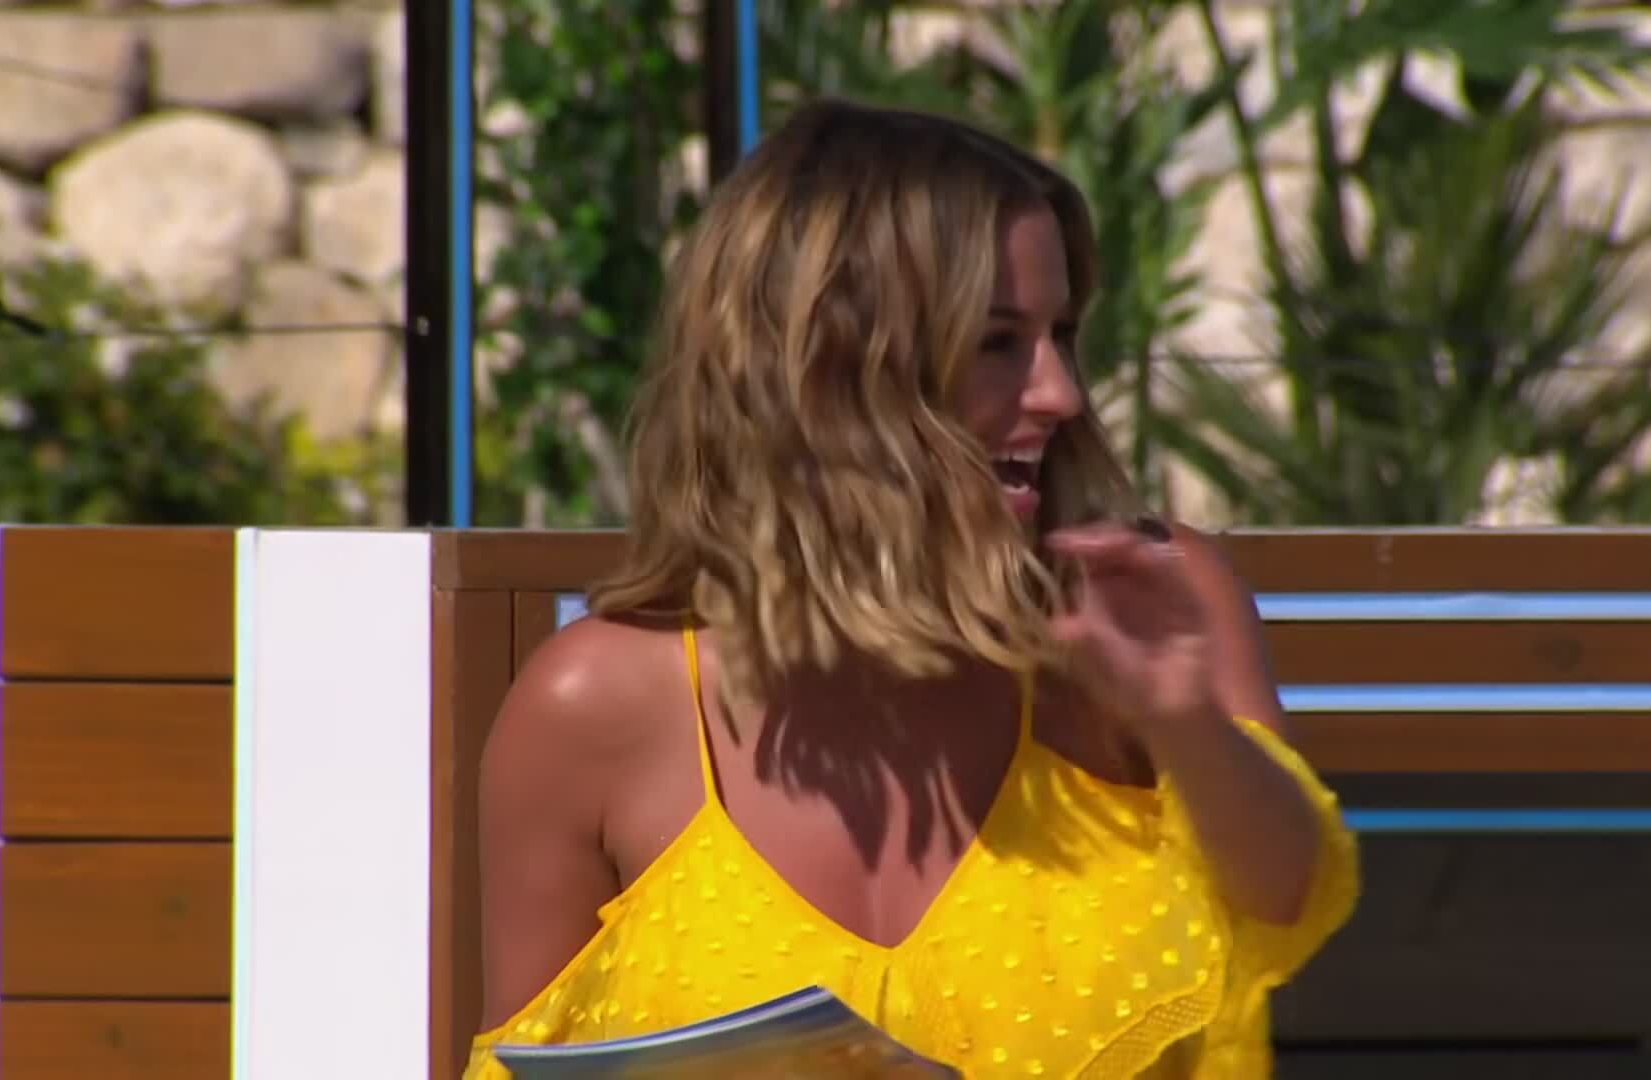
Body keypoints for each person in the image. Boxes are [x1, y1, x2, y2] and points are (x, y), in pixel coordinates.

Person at [466, 99, 1358, 1079]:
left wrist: (1182, 720)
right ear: (827, 368)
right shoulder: (595, 706)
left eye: (1063, 335)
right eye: (998, 342)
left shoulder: (1137, 601)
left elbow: (1289, 902)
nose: (1061, 393)